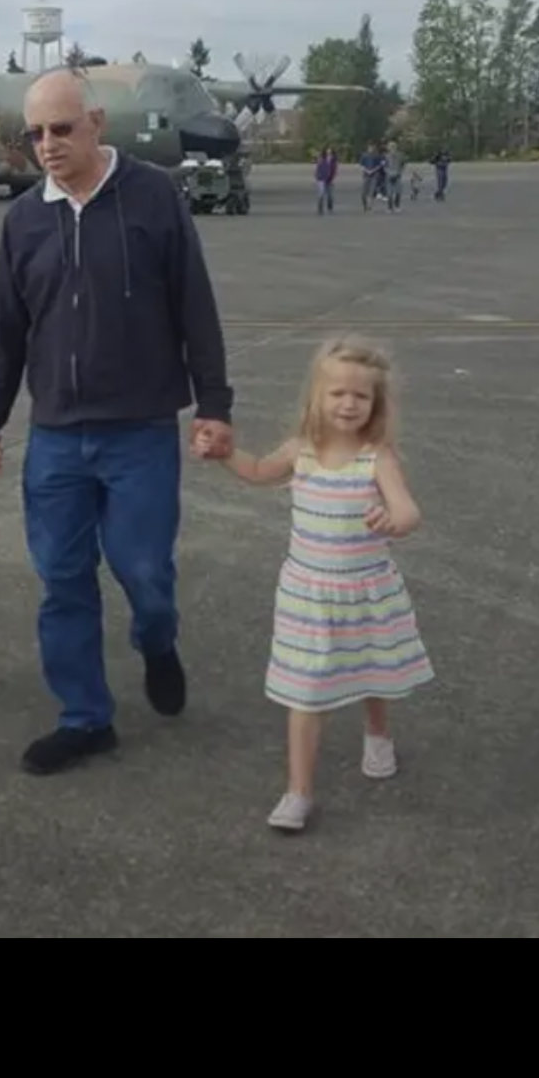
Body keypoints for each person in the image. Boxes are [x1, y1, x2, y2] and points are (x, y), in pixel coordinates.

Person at [0, 67, 234, 776]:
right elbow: (6, 334)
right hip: (56, 436)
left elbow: (194, 304)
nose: (46, 145)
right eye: (34, 133)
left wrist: (214, 406)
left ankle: (157, 641)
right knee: (62, 579)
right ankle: (85, 718)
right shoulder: (24, 219)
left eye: (60, 129)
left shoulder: (153, 197)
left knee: (144, 572)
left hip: (139, 429)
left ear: (96, 123)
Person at [194, 336, 433, 831]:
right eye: (337, 392)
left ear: (376, 403)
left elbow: (408, 510)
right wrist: (225, 453)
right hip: (307, 594)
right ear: (317, 397)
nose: (348, 403)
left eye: (360, 395)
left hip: (365, 590)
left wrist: (393, 521)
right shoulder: (300, 450)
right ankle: (298, 791)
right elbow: (258, 472)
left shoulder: (377, 457)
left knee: (372, 669)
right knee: (304, 691)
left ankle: (377, 733)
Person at [314, 145, 338, 215]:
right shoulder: (321, 159)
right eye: (328, 150)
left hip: (329, 180)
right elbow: (318, 168)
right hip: (321, 179)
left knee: (330, 196)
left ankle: (330, 207)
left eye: (330, 151)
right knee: (321, 194)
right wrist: (317, 177)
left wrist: (332, 179)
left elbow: (334, 170)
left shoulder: (333, 160)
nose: (329, 152)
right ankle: (320, 209)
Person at [359, 143, 383, 209]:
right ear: (368, 148)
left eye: (372, 148)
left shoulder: (377, 156)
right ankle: (365, 205)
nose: (371, 149)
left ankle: (370, 206)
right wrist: (366, 170)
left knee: (371, 192)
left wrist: (373, 170)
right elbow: (361, 165)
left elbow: (379, 165)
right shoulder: (364, 155)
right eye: (370, 148)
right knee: (363, 193)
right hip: (366, 175)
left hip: (374, 176)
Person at [385, 139, 405, 211]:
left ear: (396, 147)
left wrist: (399, 172)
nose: (392, 148)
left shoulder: (400, 155)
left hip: (397, 175)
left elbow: (402, 165)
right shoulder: (386, 156)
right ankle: (389, 207)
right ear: (388, 148)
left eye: (393, 146)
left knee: (398, 192)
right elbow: (384, 166)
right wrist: (388, 172)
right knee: (389, 193)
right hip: (389, 176)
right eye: (390, 146)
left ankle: (397, 206)